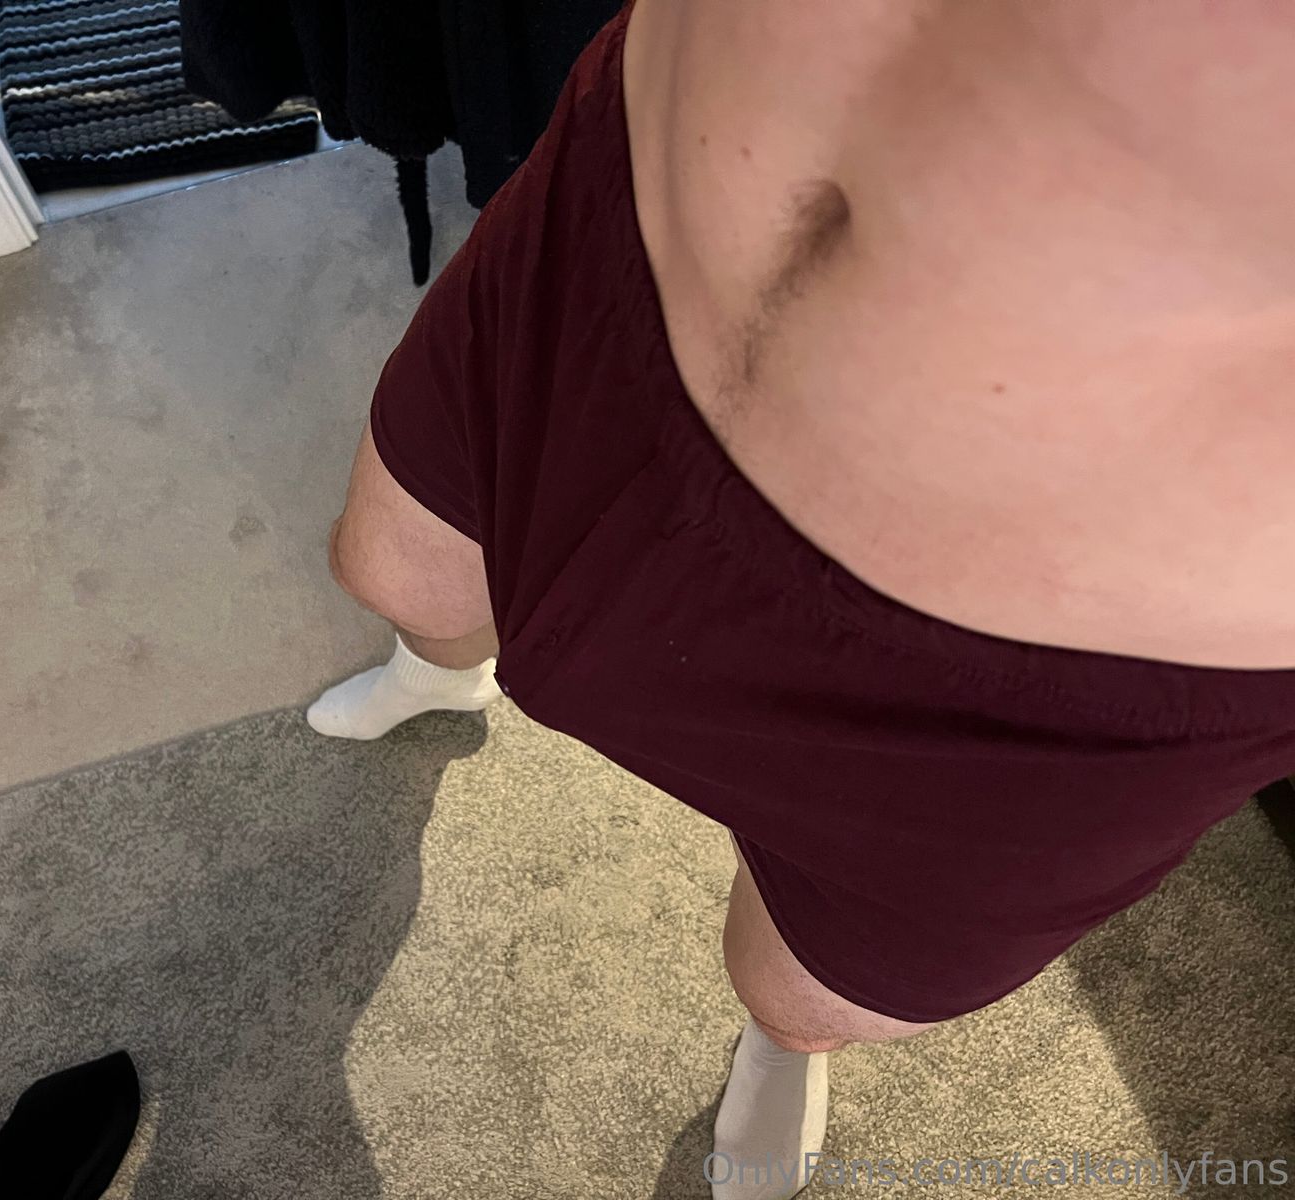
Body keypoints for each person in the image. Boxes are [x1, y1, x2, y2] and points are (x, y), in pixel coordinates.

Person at [307, 2, 1295, 1196]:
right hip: (628, 233)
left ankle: (782, 1048)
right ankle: (441, 675)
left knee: (808, 987)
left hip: (1076, 661)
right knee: (390, 569)